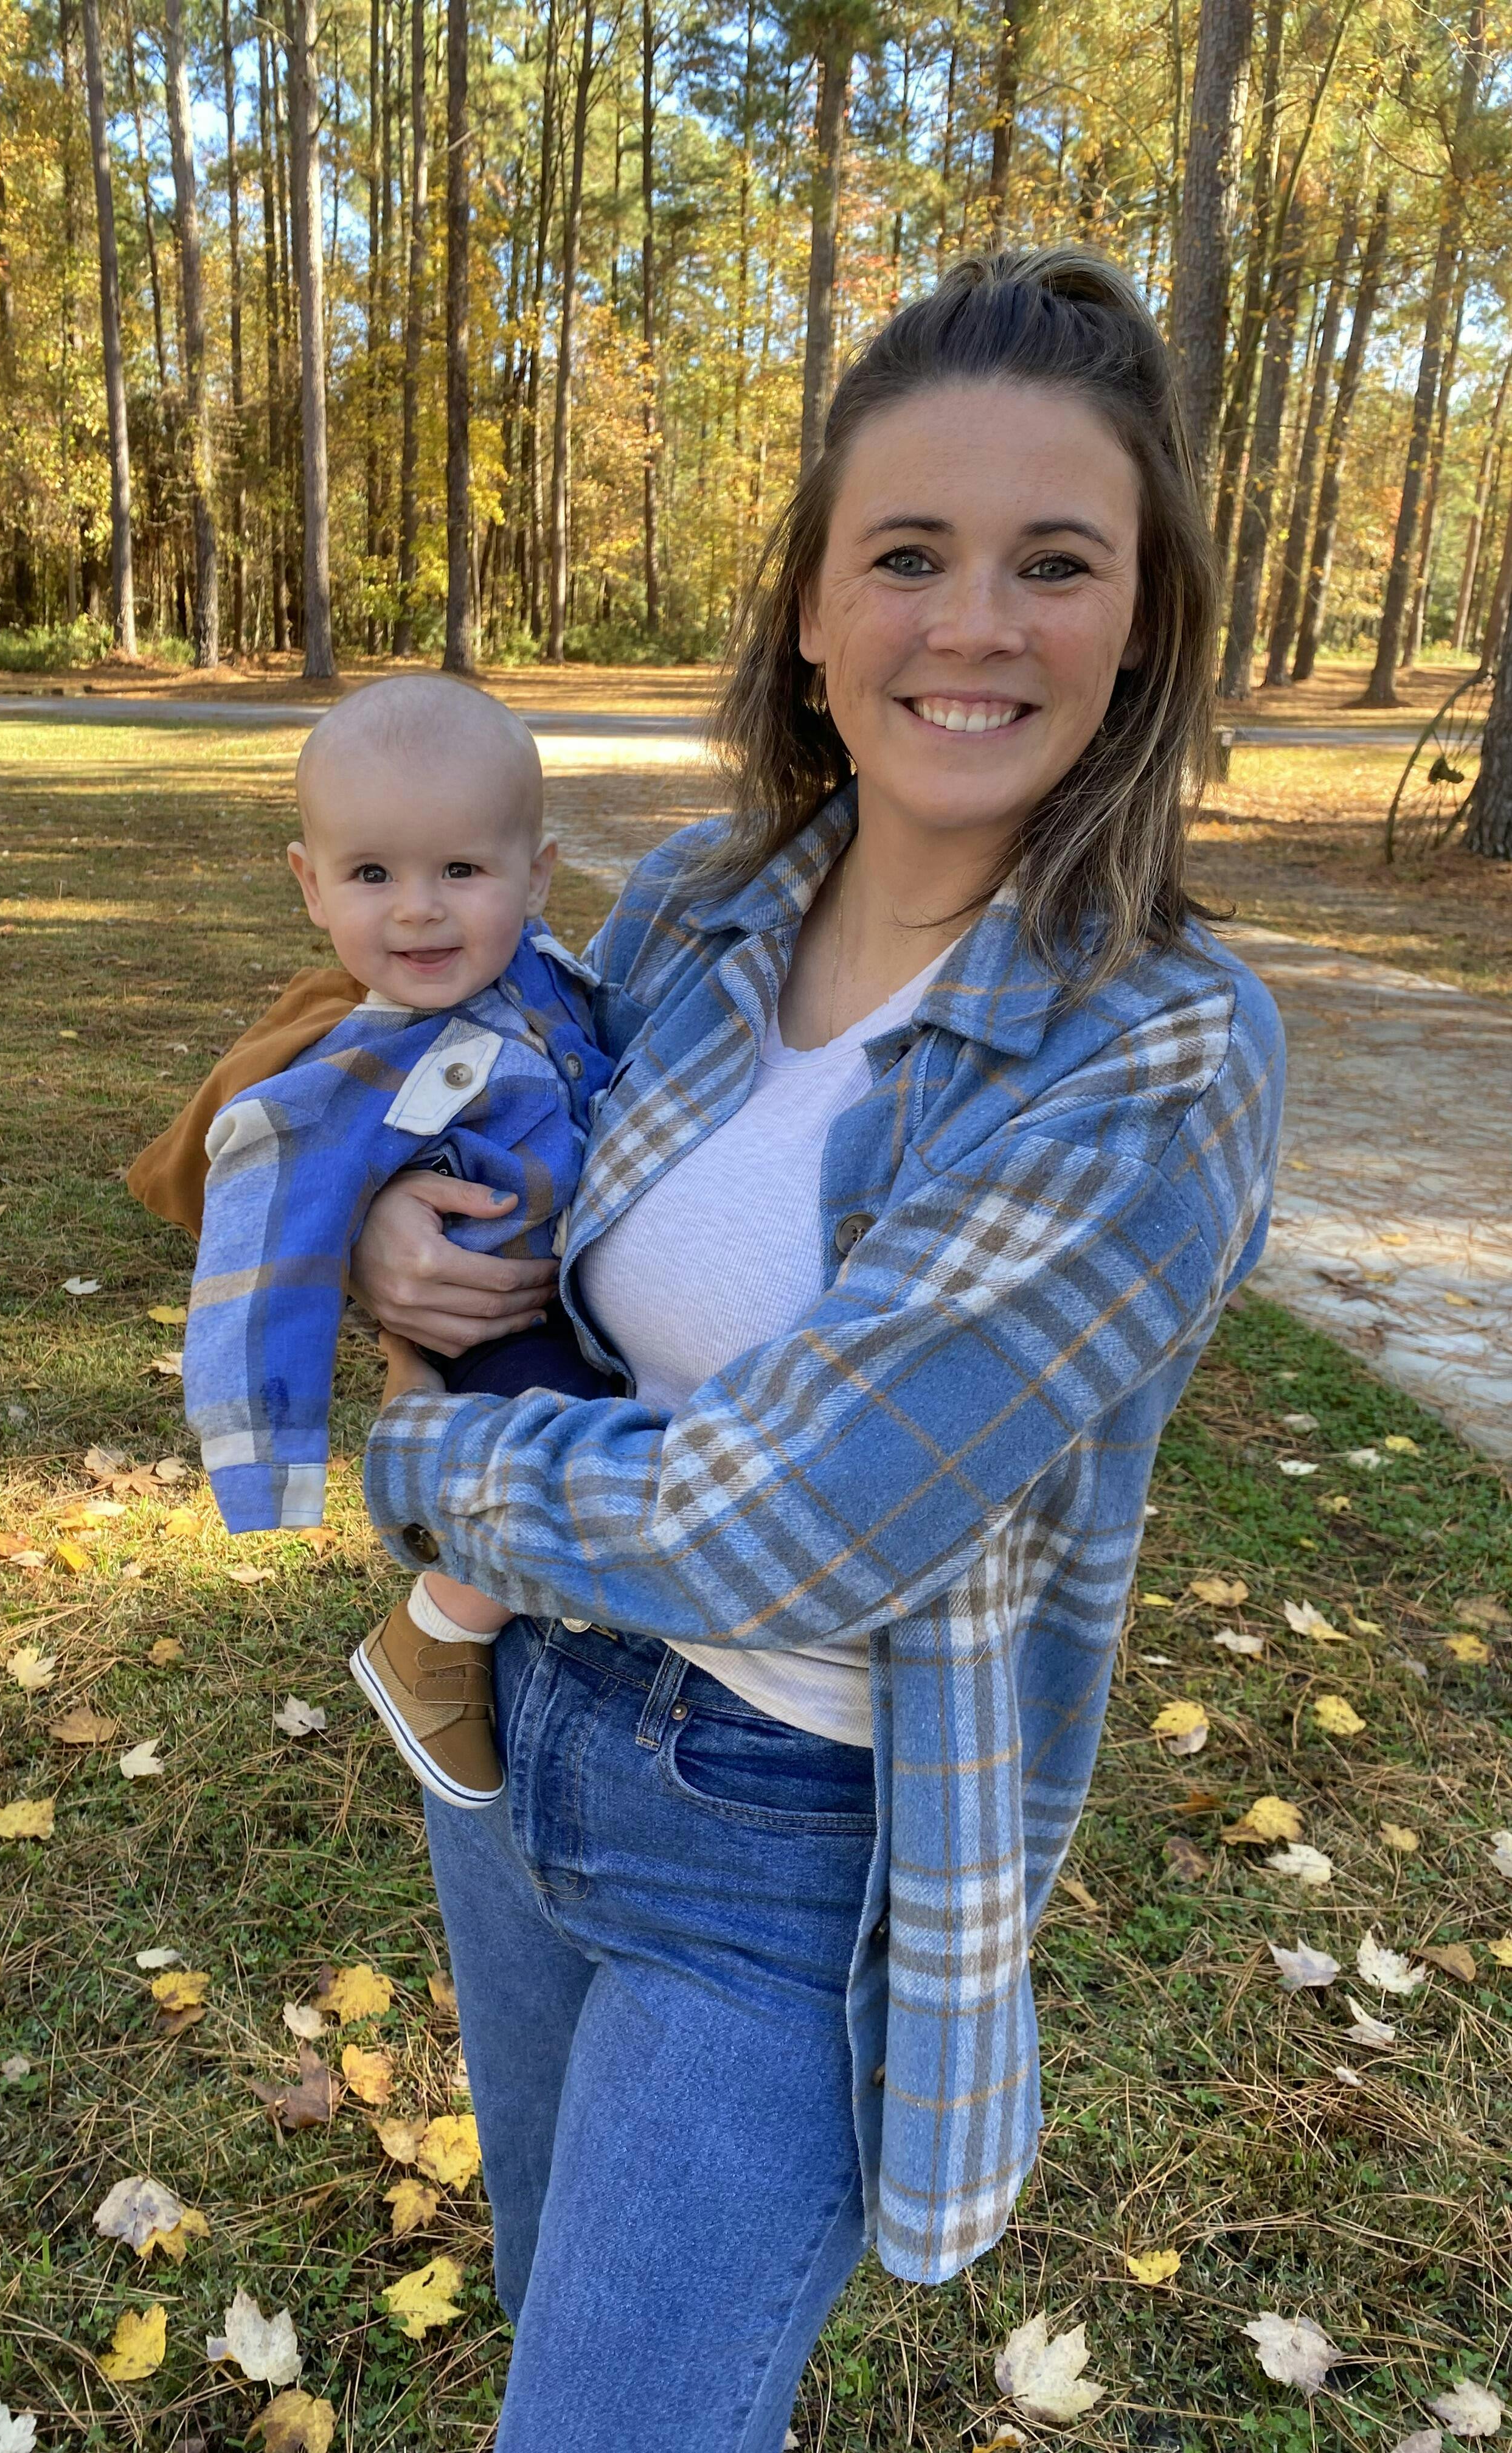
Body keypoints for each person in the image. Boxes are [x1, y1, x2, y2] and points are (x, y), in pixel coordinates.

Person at [345, 249, 1285, 2453]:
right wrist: (393, 1226)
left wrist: (421, 1466)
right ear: (807, 609)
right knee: (574, 2333)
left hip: (784, 1845)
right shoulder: (698, 904)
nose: (975, 625)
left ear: (1143, 621)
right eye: (909, 556)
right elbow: (487, 1137)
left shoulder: (1161, 1055)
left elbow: (801, 1521)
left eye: (1055, 563)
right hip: (518, 1729)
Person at [175, 675, 614, 1811]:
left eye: (460, 870)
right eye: (372, 874)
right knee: (570, 1453)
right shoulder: (348, 1072)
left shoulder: (543, 977)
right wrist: (265, 1458)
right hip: (497, 1327)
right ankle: (434, 1638)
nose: (418, 911)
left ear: (537, 876)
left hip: (571, 1299)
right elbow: (261, 1249)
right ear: (310, 885)